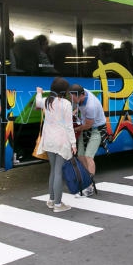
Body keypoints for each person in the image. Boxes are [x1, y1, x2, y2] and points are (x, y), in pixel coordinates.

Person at [35, 77, 77, 212]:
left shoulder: (46, 102)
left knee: (53, 170)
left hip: (48, 140)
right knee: (58, 171)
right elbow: (69, 126)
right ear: (65, 91)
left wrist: (39, 92)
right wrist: (73, 143)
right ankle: (58, 205)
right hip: (61, 141)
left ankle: (52, 200)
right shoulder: (66, 104)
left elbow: (37, 101)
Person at [69, 83, 106, 197]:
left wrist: (74, 129)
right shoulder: (80, 92)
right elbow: (78, 107)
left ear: (81, 95)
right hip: (85, 126)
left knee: (88, 156)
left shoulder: (91, 106)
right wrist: (73, 112)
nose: (73, 100)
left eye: (74, 98)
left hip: (96, 129)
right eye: (71, 97)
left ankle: (89, 187)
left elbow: (88, 125)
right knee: (80, 156)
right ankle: (86, 181)